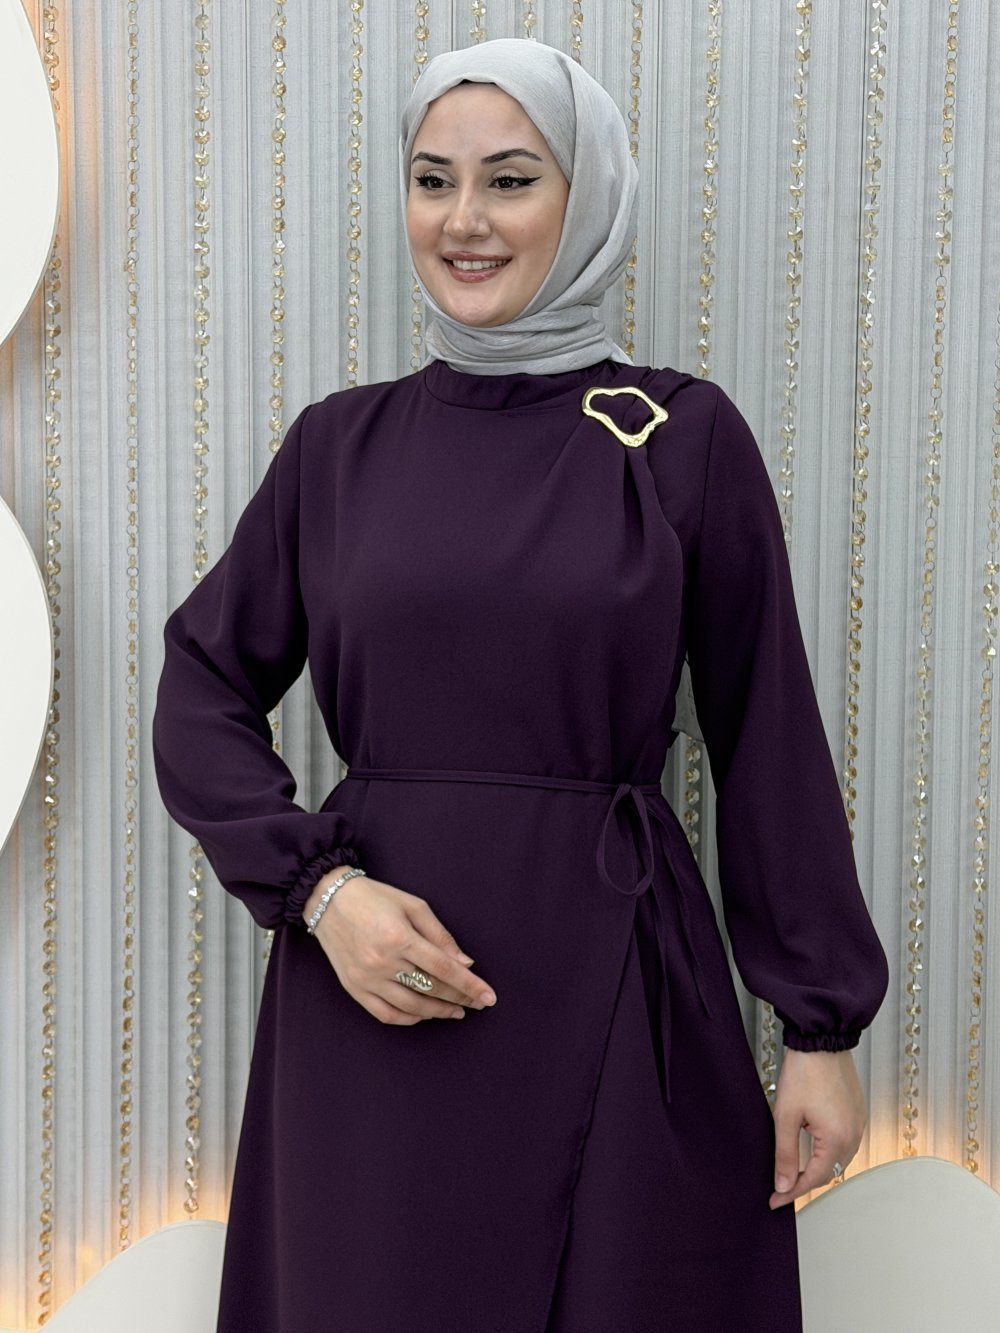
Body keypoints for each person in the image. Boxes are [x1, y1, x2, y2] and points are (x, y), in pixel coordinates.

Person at [152, 38, 889, 1332]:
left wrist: (820, 1030)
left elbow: (765, 736)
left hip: (617, 992)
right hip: (375, 1002)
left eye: (509, 179)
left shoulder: (678, 437)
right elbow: (201, 682)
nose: (465, 220)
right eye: (433, 181)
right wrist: (320, 893)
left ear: (585, 197)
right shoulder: (339, 447)